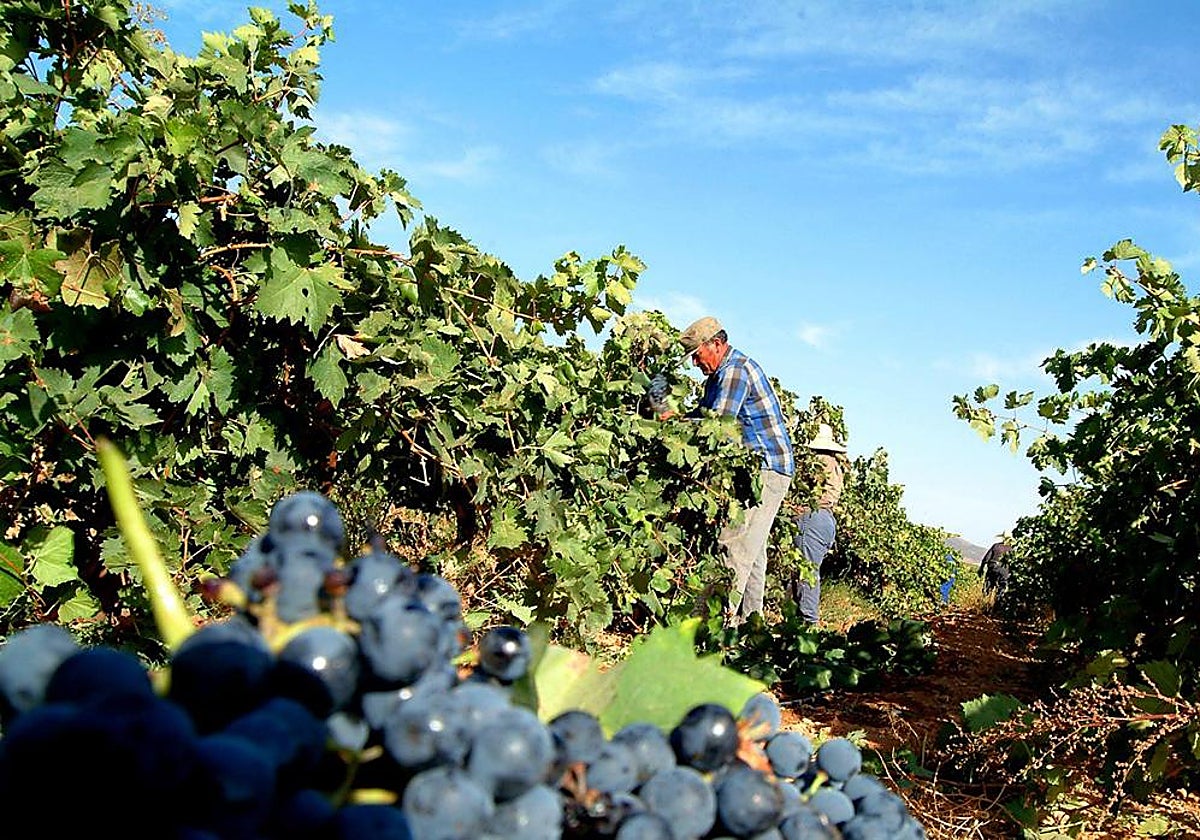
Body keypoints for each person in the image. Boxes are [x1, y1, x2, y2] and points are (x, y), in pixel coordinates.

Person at [661, 316, 795, 622]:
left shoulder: (735, 371)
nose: (695, 363)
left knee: (734, 546)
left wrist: (672, 423)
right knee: (753, 551)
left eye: (697, 355)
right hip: (757, 469)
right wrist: (674, 416)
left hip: (766, 469)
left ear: (717, 344)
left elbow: (716, 427)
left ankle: (716, 628)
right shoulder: (716, 378)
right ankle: (751, 627)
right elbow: (701, 415)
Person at [791, 423, 846, 625]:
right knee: (807, 570)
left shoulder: (817, 461)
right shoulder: (834, 463)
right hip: (826, 520)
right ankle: (799, 622)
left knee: (806, 572)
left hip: (811, 518)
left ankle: (809, 624)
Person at [980, 533, 1013, 602]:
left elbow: (986, 559)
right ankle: (997, 604)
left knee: (987, 587)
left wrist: (981, 569)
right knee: (1001, 588)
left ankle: (983, 602)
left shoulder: (996, 546)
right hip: (1004, 570)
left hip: (992, 568)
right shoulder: (1011, 548)